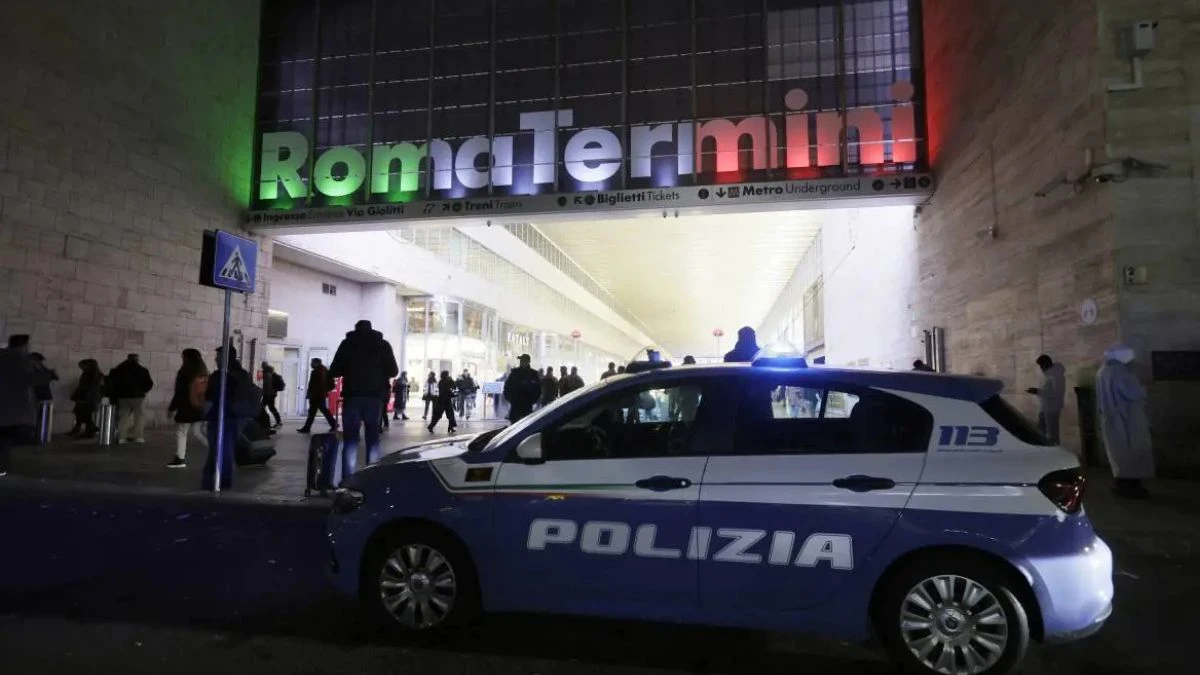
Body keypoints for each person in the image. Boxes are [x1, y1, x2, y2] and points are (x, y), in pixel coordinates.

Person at [328, 320, 399, 481]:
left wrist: (350, 370)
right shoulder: (383, 345)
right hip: (374, 398)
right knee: (373, 441)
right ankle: (371, 479)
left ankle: (348, 480)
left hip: (352, 397)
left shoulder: (347, 344)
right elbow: (393, 370)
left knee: (350, 441)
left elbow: (335, 369)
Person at [1096, 345, 1155, 499]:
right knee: (1132, 451)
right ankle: (1131, 486)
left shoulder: (1103, 371)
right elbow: (1134, 393)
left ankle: (1121, 483)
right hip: (1127, 418)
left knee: (1118, 453)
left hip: (1111, 418)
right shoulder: (1120, 371)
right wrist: (1144, 387)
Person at [202, 345, 257, 491]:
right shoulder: (243, 374)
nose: (215, 359)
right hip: (239, 417)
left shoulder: (219, 376)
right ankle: (211, 477)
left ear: (224, 358)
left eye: (218, 357)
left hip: (221, 417)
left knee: (219, 449)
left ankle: (220, 480)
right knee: (221, 448)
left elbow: (210, 398)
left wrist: (203, 416)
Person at [166, 349, 209, 469]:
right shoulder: (203, 371)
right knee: (198, 432)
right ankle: (217, 450)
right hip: (199, 406)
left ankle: (180, 458)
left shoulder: (185, 371)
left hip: (186, 407)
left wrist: (172, 407)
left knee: (181, 432)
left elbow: (179, 392)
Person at [0, 335, 35, 477]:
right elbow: (31, 378)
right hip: (10, 410)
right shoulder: (22, 359)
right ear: (24, 345)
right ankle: (1, 467)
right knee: (4, 440)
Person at [107, 353, 153, 443]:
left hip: (122, 396)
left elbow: (112, 383)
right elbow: (149, 383)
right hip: (138, 397)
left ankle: (122, 437)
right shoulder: (142, 370)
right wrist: (142, 391)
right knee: (139, 417)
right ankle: (138, 436)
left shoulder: (118, 370)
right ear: (137, 360)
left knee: (123, 417)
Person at [1026, 354, 1066, 444]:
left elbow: (1057, 393)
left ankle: (1055, 453)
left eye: (1041, 365)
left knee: (1052, 434)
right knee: (1040, 432)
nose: (1041, 368)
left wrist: (1038, 391)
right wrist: (1037, 391)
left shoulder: (1057, 375)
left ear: (1047, 364)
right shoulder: (1049, 374)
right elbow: (1046, 390)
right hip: (1045, 408)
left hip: (1052, 408)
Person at [297, 357, 337, 433]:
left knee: (316, 412)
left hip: (317, 396)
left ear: (316, 363)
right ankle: (307, 427)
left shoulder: (318, 372)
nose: (311, 364)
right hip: (320, 395)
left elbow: (316, 385)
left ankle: (307, 428)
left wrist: (313, 394)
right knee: (318, 411)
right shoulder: (324, 370)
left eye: (312, 363)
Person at [69, 359, 104, 437]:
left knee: (82, 414)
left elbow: (85, 387)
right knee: (83, 414)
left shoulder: (88, 374)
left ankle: (90, 429)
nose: (80, 367)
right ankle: (87, 430)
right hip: (92, 397)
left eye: (82, 365)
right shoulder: (98, 374)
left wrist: (80, 397)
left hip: (86, 398)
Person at [503, 354, 541, 422]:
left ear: (528, 362)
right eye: (521, 361)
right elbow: (507, 387)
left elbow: (538, 389)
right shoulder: (514, 373)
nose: (521, 362)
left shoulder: (533, 374)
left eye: (523, 361)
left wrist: (532, 401)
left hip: (527, 405)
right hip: (515, 405)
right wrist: (510, 399)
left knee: (526, 426)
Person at [259, 363, 284, 429]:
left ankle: (264, 423)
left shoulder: (267, 375)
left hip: (268, 394)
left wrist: (264, 393)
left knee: (262, 408)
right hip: (272, 394)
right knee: (271, 408)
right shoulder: (271, 374)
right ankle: (278, 421)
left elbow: (267, 386)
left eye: (262, 367)